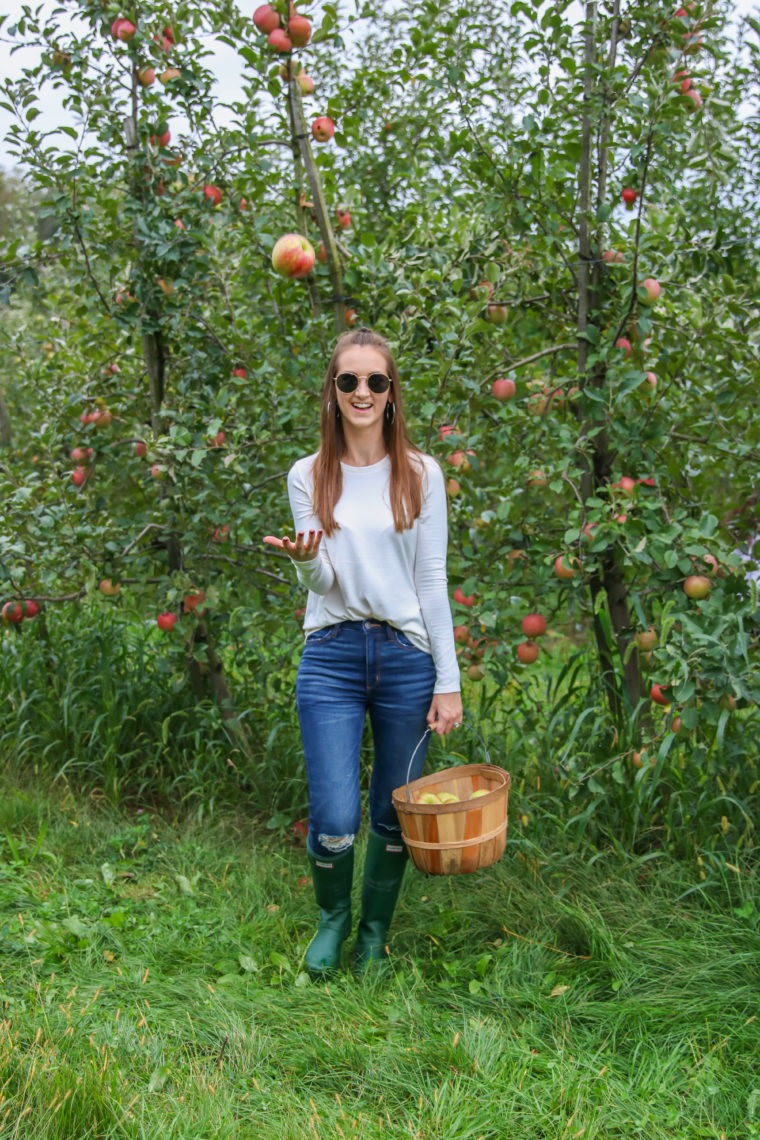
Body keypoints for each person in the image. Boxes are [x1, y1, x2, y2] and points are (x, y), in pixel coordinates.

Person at [264, 327, 463, 976]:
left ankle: (374, 934)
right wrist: (305, 563)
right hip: (332, 657)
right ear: (331, 391)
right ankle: (332, 920)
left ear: (391, 393)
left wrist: (448, 679)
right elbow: (325, 581)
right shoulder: (308, 475)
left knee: (393, 811)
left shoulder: (421, 474)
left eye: (375, 381)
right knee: (333, 815)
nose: (361, 392)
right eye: (348, 380)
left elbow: (431, 581)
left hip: (407, 659)